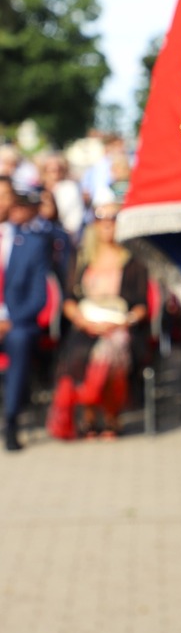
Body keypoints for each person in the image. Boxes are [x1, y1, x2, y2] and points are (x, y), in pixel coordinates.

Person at [47, 191, 148, 440]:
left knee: (111, 354)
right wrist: (84, 322)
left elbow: (141, 305)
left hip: (120, 328)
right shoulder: (82, 258)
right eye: (102, 218)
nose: (108, 224)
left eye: (114, 218)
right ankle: (89, 415)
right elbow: (69, 299)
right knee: (80, 355)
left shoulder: (133, 260)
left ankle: (112, 416)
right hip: (86, 326)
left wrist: (121, 323)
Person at [0, 177, 51, 451]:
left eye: (4, 195)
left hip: (16, 323)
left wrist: (9, 321)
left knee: (19, 342)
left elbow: (38, 296)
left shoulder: (32, 243)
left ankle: (11, 421)